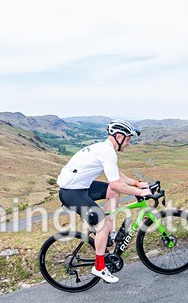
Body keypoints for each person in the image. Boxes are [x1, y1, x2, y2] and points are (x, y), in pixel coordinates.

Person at [56, 120, 151, 284]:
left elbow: (116, 176)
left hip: (80, 186)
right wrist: (140, 192)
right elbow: (116, 183)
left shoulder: (104, 149)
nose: (129, 143)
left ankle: (108, 232)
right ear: (119, 136)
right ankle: (99, 267)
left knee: (113, 193)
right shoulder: (107, 152)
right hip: (72, 192)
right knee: (103, 222)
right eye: (128, 139)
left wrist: (137, 183)